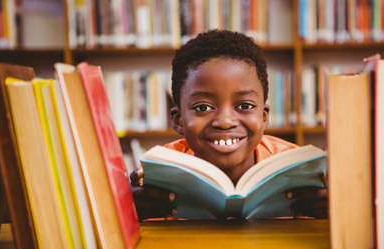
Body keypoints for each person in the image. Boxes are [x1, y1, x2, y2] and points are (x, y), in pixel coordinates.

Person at [130, 30, 328, 221]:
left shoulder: (296, 169)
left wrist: (331, 210)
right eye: (202, 107)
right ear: (178, 120)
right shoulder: (160, 173)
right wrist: (128, 211)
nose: (225, 122)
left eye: (244, 106)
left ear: (264, 116)